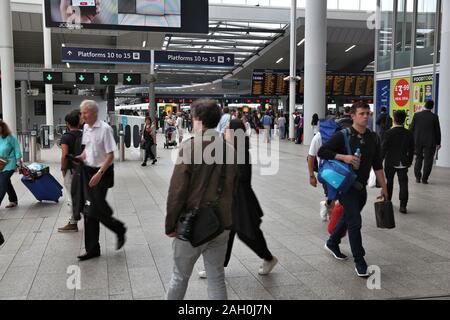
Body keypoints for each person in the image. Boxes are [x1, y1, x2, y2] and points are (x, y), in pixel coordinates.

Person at [165, 99, 239, 300]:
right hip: (221, 223)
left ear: (197, 119)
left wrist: (170, 224)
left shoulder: (189, 148)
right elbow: (233, 188)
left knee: (180, 277)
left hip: (192, 223)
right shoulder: (230, 150)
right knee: (216, 278)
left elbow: (177, 191)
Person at [198, 119, 278, 280]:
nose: (224, 131)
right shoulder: (231, 149)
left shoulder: (240, 151)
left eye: (227, 129)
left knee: (247, 233)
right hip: (233, 200)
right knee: (226, 234)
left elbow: (243, 176)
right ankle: (217, 267)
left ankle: (269, 258)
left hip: (242, 201)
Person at [318, 102, 389, 277]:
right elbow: (322, 151)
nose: (366, 116)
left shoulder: (373, 138)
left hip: (361, 189)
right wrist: (345, 157)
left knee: (349, 218)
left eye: (368, 113)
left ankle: (332, 242)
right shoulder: (343, 135)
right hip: (346, 188)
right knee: (355, 223)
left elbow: (377, 165)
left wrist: (384, 188)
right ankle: (360, 261)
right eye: (362, 113)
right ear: (353, 116)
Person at [76, 100, 127, 261]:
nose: (82, 115)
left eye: (85, 112)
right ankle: (92, 249)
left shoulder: (105, 129)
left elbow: (111, 155)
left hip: (102, 173)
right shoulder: (85, 127)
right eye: (81, 112)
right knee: (90, 211)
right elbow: (87, 149)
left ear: (94, 113)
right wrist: (80, 157)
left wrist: (99, 173)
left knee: (94, 209)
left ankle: (119, 229)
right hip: (88, 171)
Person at [381, 110, 415, 214]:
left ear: (394, 120)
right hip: (403, 162)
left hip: (390, 162)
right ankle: (403, 205)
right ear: (404, 120)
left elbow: (384, 148)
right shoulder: (409, 133)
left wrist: (379, 160)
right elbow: (411, 149)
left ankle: (388, 201)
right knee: (403, 183)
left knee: (389, 182)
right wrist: (409, 161)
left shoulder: (388, 133)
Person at [58, 110, 84, 232]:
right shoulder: (84, 134)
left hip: (71, 170)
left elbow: (64, 155)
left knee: (71, 195)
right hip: (83, 169)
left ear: (67, 123)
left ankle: (73, 222)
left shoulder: (66, 137)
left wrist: (63, 169)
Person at [409, 100, 441, 184]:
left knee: (418, 158)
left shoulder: (417, 115)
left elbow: (411, 128)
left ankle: (417, 177)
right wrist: (438, 142)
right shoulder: (434, 117)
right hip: (430, 142)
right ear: (432, 107)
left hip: (418, 141)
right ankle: (424, 179)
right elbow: (437, 130)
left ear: (424, 105)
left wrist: (411, 140)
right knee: (428, 160)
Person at [0, 120, 23, 210]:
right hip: (1, 164)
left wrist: (18, 161)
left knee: (2, 183)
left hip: (10, 163)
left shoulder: (10, 137)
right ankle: (13, 200)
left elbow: (17, 149)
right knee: (6, 182)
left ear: (2, 127)